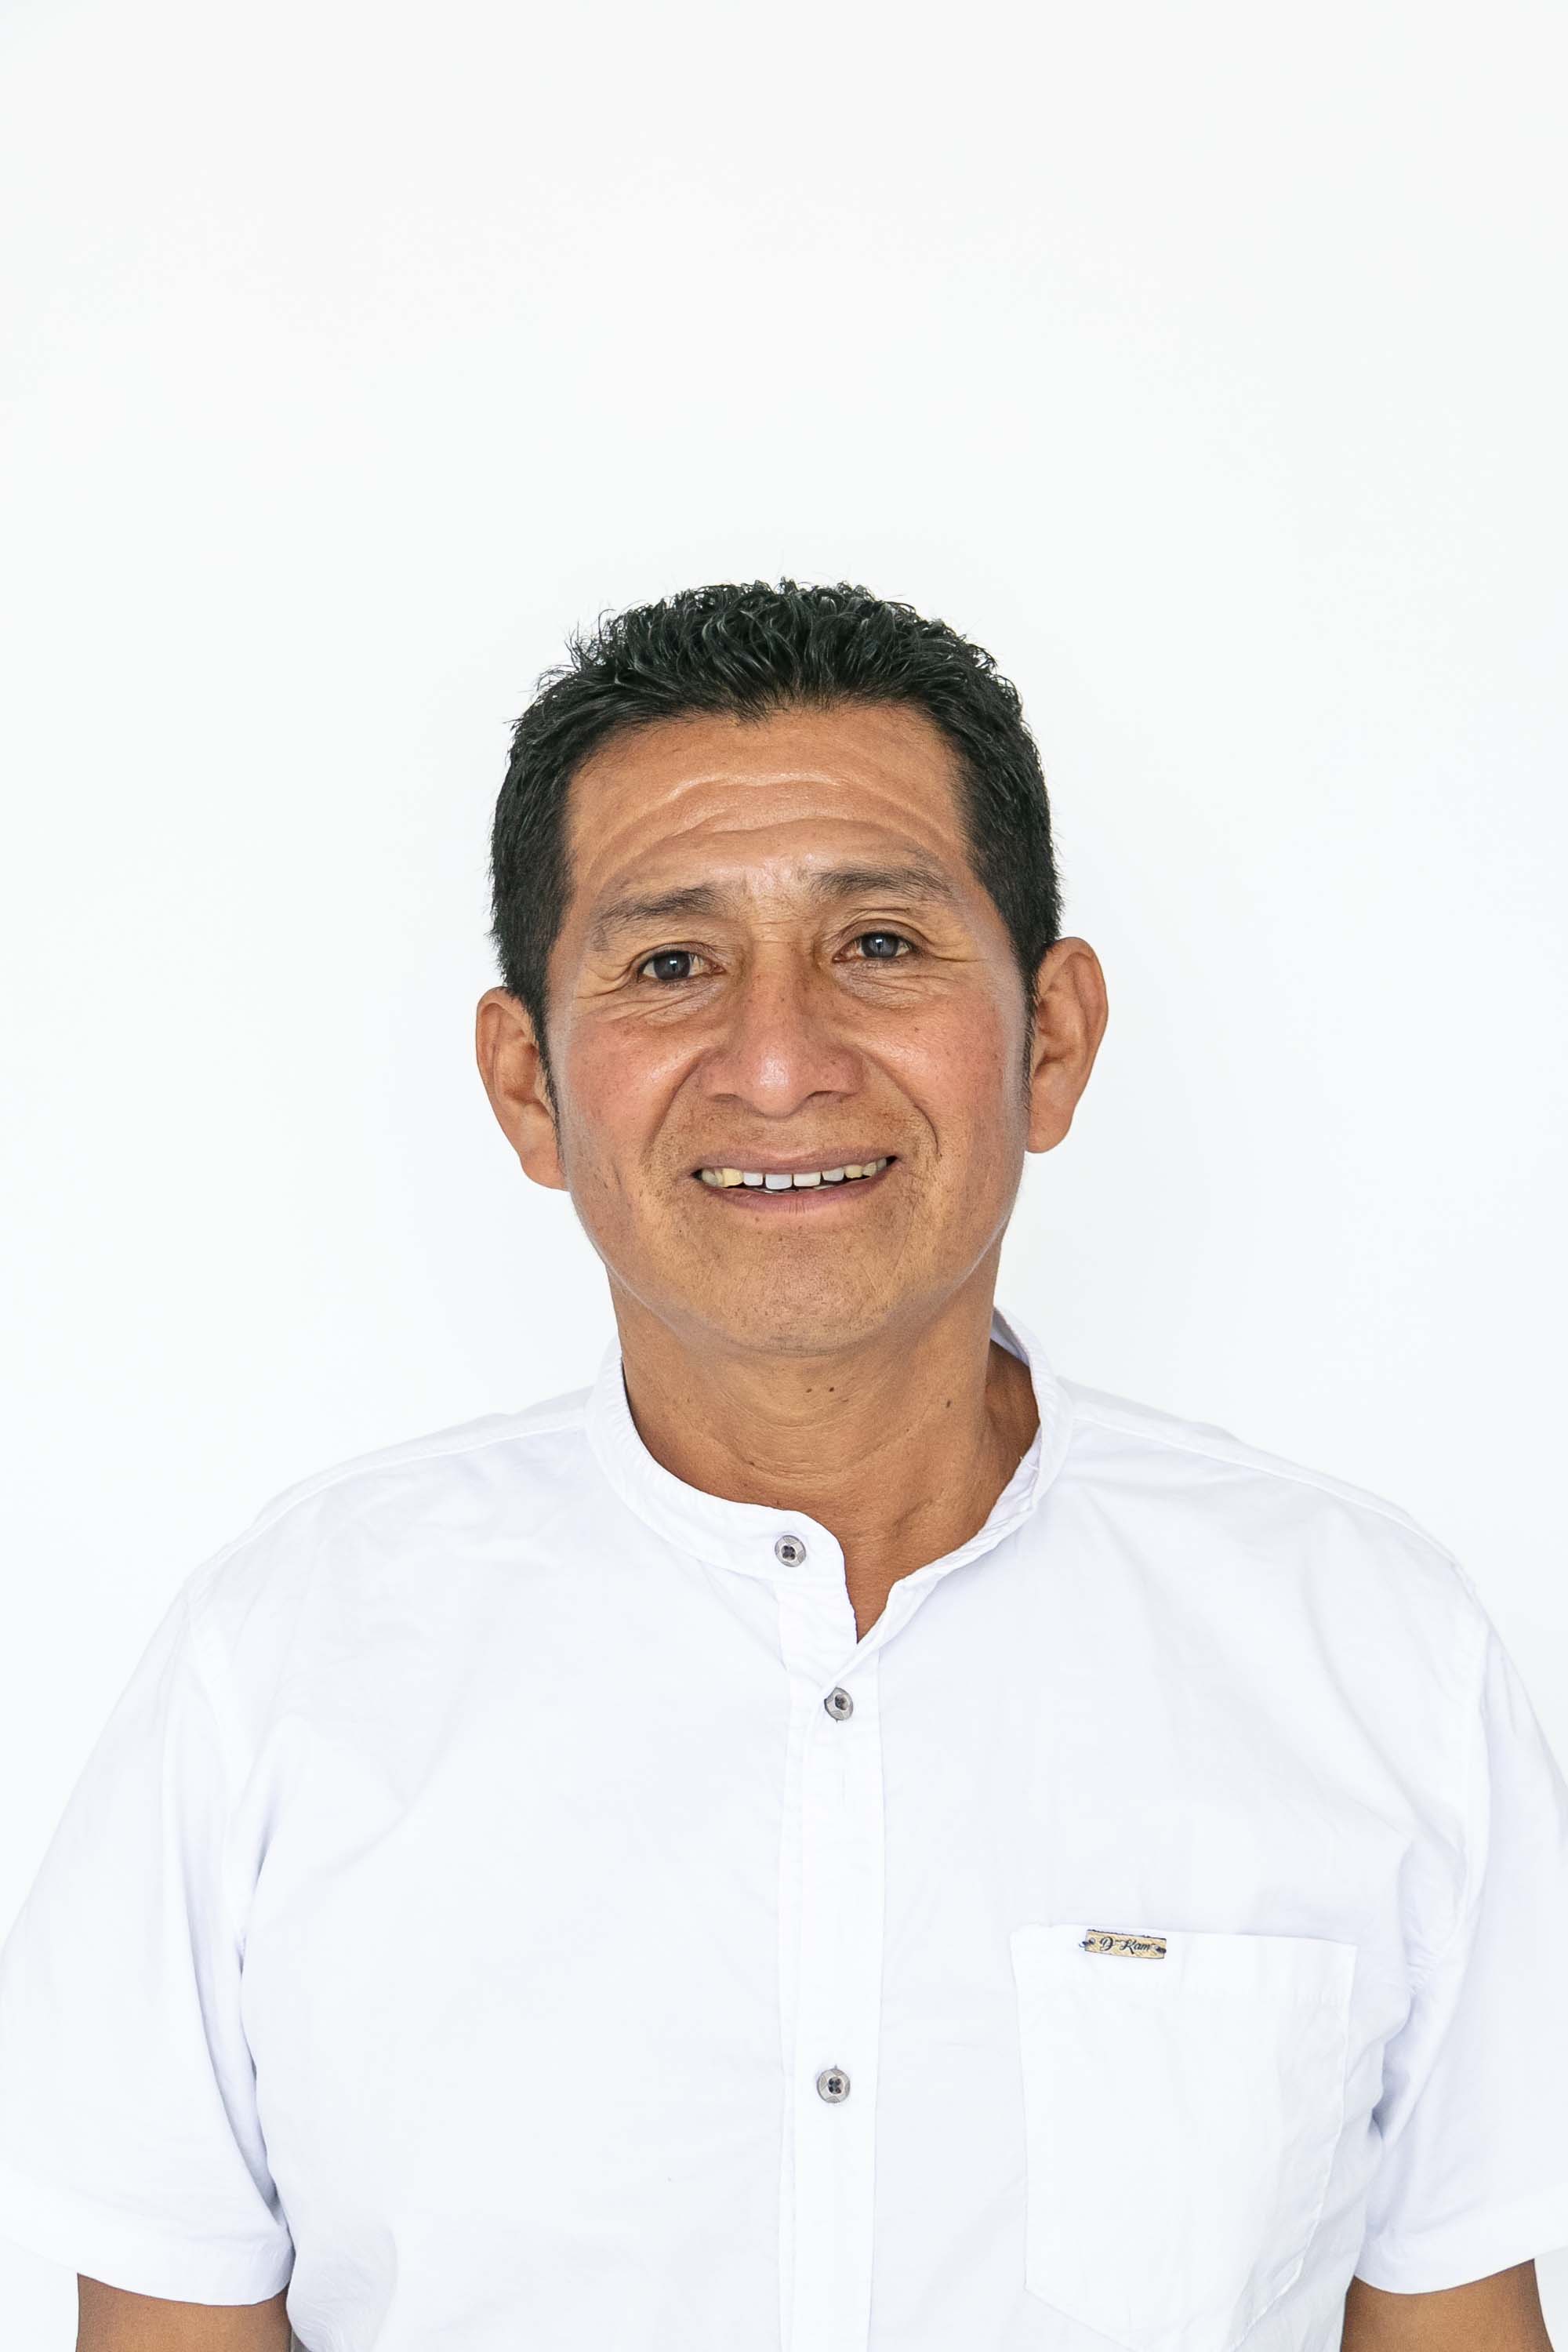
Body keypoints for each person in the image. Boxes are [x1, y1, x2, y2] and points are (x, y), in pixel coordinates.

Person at [2, 580, 1565, 2352]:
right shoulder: (281, 1670)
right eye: (671, 965)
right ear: (529, 1087)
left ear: (1051, 1039)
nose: (777, 1063)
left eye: (879, 944)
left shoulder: (1372, 1656)